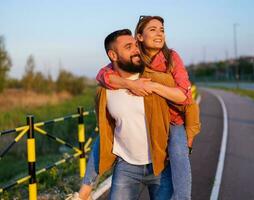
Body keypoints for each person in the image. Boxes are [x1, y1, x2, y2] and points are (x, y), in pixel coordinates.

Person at [69, 29, 185, 200]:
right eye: (128, 46)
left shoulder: (158, 80)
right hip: (126, 168)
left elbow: (184, 108)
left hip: (161, 166)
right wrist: (87, 185)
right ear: (113, 55)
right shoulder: (104, 92)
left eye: (136, 45)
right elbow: (105, 136)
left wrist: (186, 140)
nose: (136, 49)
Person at [96, 16, 200, 200]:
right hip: (149, 121)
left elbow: (185, 96)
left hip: (172, 119)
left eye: (161, 29)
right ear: (139, 37)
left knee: (179, 156)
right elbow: (103, 74)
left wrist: (153, 86)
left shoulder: (171, 57)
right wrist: (130, 85)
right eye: (152, 29)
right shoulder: (137, 57)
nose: (159, 33)